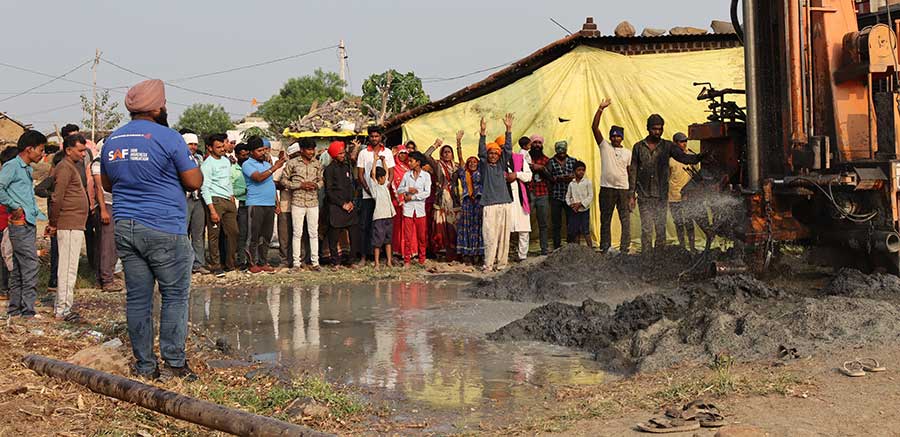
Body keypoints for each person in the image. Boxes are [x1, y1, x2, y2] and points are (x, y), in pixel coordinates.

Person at [100, 79, 202, 380]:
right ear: (158, 107)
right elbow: (194, 182)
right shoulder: (169, 138)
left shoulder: (113, 139)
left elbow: (108, 184)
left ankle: (146, 366)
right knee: (174, 296)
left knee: (138, 298)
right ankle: (174, 363)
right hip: (164, 227)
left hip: (126, 226)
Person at [629, 114, 704, 252]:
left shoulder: (668, 146)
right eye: (654, 129)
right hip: (644, 195)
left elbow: (684, 157)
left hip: (661, 196)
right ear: (647, 128)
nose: (657, 132)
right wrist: (631, 195)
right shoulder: (638, 147)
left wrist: (700, 157)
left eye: (660, 129)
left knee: (660, 229)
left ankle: (659, 259)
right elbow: (633, 171)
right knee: (646, 230)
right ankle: (646, 259)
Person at [0, 130, 47, 318]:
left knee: (19, 268)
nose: (42, 154)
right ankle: (27, 310)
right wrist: (14, 207)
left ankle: (15, 309)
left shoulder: (26, 169)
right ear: (29, 149)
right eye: (40, 150)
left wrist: (36, 213)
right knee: (30, 265)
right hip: (19, 224)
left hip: (27, 222)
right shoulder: (12, 166)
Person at [47, 134, 89, 321]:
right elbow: (57, 197)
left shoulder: (70, 167)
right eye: (80, 150)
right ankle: (63, 309)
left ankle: (62, 307)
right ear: (68, 150)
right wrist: (54, 223)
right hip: (69, 223)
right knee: (67, 269)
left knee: (69, 267)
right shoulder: (64, 168)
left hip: (74, 223)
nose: (83, 154)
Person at [592, 99, 633, 254]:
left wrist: (632, 194)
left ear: (622, 138)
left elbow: (630, 173)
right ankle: (605, 247)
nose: (615, 138)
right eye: (613, 136)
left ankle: (625, 248)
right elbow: (594, 127)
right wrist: (600, 109)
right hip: (607, 188)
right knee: (605, 219)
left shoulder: (628, 153)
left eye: (618, 136)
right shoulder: (605, 147)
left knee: (625, 221)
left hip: (623, 190)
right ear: (610, 137)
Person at [478, 114, 515, 272]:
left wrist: (508, 130)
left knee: (503, 236)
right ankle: (488, 264)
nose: (493, 155)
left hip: (504, 204)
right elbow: (481, 152)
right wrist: (483, 133)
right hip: (489, 205)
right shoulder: (485, 167)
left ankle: (501, 264)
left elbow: (507, 150)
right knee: (489, 236)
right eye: (491, 153)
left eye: (496, 153)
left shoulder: (501, 166)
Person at [243, 136, 285, 274]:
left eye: (264, 150)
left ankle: (263, 261)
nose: (263, 153)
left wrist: (277, 203)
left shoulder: (266, 164)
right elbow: (258, 178)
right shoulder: (247, 164)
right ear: (251, 152)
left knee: (266, 236)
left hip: (269, 204)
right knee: (253, 235)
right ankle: (251, 263)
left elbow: (270, 184)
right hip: (255, 204)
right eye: (259, 150)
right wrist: (275, 167)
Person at [281, 139, 324, 270]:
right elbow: (284, 180)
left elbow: (322, 180)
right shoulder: (292, 163)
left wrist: (315, 185)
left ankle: (315, 263)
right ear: (302, 150)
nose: (312, 152)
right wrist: (299, 185)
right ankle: (296, 263)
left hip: (313, 202)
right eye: (309, 149)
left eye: (313, 149)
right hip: (298, 201)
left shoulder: (317, 164)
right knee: (297, 233)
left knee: (313, 233)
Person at [201, 133, 239, 276]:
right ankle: (216, 266)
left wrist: (231, 196)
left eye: (223, 146)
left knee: (233, 233)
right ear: (210, 148)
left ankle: (230, 263)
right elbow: (205, 188)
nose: (222, 149)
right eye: (218, 147)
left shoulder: (226, 161)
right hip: (215, 200)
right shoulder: (207, 165)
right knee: (214, 235)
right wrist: (211, 210)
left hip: (228, 200)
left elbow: (228, 180)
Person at [356, 126, 394, 259]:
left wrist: (384, 189)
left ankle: (384, 257)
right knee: (366, 226)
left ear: (380, 137)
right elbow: (360, 175)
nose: (374, 138)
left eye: (376, 136)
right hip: (368, 196)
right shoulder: (363, 153)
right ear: (369, 137)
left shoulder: (388, 152)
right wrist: (370, 190)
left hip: (382, 197)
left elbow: (391, 173)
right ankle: (364, 257)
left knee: (384, 228)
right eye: (372, 136)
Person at [91, 139, 122, 292]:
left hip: (113, 205)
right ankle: (107, 279)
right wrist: (103, 209)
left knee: (108, 244)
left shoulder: (108, 163)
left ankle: (102, 278)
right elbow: (98, 188)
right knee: (107, 245)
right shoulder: (98, 163)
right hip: (106, 206)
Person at [324, 141, 362, 267]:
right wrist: (342, 204)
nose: (342, 155)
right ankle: (335, 261)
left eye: (343, 152)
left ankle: (351, 261)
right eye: (340, 153)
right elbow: (329, 191)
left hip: (350, 206)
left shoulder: (347, 166)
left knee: (354, 235)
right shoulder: (329, 170)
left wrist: (351, 202)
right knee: (333, 236)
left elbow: (351, 185)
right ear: (334, 155)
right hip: (336, 206)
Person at [424, 136, 460, 261]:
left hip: (453, 200)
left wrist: (458, 144)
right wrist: (435, 144)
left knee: (453, 225)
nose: (446, 154)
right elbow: (426, 155)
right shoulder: (437, 165)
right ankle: (441, 251)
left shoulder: (456, 167)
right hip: (440, 200)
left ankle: (454, 250)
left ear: (452, 154)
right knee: (440, 225)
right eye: (444, 152)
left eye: (449, 152)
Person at [398, 151, 431, 267]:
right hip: (408, 210)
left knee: (421, 236)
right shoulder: (407, 175)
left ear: (418, 163)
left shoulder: (426, 176)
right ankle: (407, 260)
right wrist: (408, 188)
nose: (409, 163)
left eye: (411, 161)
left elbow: (427, 193)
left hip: (420, 210)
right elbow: (399, 189)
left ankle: (422, 258)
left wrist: (412, 197)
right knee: (407, 236)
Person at [669, 132, 699, 252]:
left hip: (688, 196)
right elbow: (667, 177)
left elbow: (697, 177)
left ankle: (692, 247)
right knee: (678, 223)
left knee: (689, 223)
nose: (684, 144)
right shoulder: (670, 159)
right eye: (681, 141)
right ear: (675, 143)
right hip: (673, 196)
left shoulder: (692, 156)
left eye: (685, 141)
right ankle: (682, 247)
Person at [183, 133, 207, 274]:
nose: (193, 147)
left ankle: (198, 264)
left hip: (197, 198)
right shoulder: (177, 159)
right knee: (183, 233)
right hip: (184, 199)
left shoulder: (198, 159)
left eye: (195, 144)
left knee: (198, 233)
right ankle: (184, 264)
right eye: (190, 144)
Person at [547, 140, 579, 250]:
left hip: (570, 196)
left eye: (563, 151)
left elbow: (579, 175)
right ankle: (557, 246)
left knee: (571, 221)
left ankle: (570, 245)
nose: (562, 153)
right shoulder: (550, 162)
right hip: (556, 196)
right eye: (560, 151)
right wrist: (557, 179)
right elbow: (548, 178)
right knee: (556, 223)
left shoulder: (573, 161)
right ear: (556, 151)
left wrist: (572, 177)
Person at [456, 144, 484, 265]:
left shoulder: (481, 173)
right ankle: (466, 253)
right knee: (466, 227)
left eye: (474, 162)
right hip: (467, 202)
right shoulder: (463, 173)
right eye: (470, 162)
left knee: (479, 227)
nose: (472, 164)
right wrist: (458, 143)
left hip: (478, 201)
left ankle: (479, 253)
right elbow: (460, 159)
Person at [509, 136, 533, 261]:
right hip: (505, 200)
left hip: (520, 198)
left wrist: (516, 174)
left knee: (523, 229)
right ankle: (503, 255)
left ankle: (522, 256)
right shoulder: (497, 162)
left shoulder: (519, 158)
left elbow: (529, 176)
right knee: (504, 230)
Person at [527, 135, 551, 255]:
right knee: (525, 223)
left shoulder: (546, 160)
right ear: (530, 144)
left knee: (543, 223)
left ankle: (544, 249)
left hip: (543, 194)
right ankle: (523, 250)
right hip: (528, 193)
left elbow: (551, 178)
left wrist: (541, 168)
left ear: (542, 145)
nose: (537, 145)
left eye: (539, 143)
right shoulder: (525, 158)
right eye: (534, 143)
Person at [370, 164, 394, 268]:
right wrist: (375, 161)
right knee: (377, 242)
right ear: (379, 178)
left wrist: (383, 161)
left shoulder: (385, 186)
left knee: (388, 241)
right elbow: (373, 175)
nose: (385, 178)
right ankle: (377, 263)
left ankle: (389, 261)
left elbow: (387, 172)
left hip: (388, 215)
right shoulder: (375, 188)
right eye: (383, 177)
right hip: (379, 217)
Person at [566, 161, 593, 246]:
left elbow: (590, 196)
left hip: (584, 210)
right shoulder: (571, 184)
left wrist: (581, 204)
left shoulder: (588, 182)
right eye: (579, 170)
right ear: (574, 171)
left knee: (585, 231)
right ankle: (578, 250)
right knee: (575, 231)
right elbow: (568, 196)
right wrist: (571, 205)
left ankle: (590, 249)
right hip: (575, 211)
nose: (581, 172)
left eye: (583, 170)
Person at [390, 145, 410, 260]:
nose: (403, 156)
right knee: (397, 227)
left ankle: (408, 251)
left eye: (405, 153)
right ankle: (397, 250)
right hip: (397, 202)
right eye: (400, 153)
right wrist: (400, 199)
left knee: (408, 227)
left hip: (409, 201)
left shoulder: (409, 167)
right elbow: (393, 183)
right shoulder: (394, 167)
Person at [232, 143, 250, 268]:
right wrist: (244, 190)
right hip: (241, 203)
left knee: (253, 233)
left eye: (247, 155)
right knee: (242, 233)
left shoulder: (251, 167)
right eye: (242, 155)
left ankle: (252, 259)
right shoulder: (233, 170)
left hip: (253, 202)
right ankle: (241, 260)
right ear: (237, 155)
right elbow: (230, 190)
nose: (245, 157)